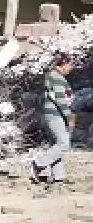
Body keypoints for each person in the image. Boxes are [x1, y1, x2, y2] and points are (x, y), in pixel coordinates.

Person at [30, 51, 76, 184]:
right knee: (63, 144)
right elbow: (60, 99)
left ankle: (58, 177)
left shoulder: (53, 76)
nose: (71, 67)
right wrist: (69, 117)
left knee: (55, 145)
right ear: (63, 64)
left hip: (51, 115)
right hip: (56, 115)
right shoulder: (57, 78)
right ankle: (37, 164)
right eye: (70, 64)